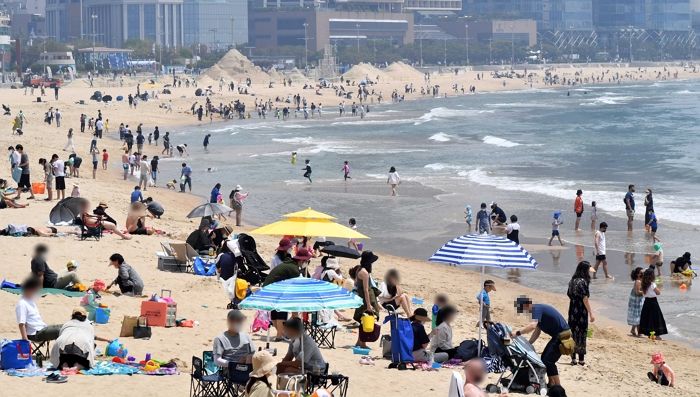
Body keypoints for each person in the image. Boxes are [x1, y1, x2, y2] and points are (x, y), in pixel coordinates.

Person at [512, 297, 572, 386]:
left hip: (562, 335)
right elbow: (537, 331)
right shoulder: (537, 310)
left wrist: (517, 333)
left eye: (523, 310)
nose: (524, 312)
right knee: (544, 358)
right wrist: (528, 344)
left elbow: (532, 326)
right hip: (558, 335)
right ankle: (551, 383)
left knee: (548, 361)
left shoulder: (536, 309)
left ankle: (558, 386)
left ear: (526, 305)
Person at [263, 247, 309, 340]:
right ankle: (280, 336)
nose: (307, 263)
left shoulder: (289, 264)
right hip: (276, 290)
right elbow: (295, 287)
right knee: (281, 312)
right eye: (306, 261)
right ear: (302, 260)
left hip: (269, 288)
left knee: (275, 312)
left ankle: (281, 334)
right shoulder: (294, 269)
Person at [16, 277, 62, 343]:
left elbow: (42, 293)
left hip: (42, 328)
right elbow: (21, 324)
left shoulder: (30, 299)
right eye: (34, 290)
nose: (35, 292)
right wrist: (25, 340)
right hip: (35, 334)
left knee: (66, 326)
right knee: (61, 330)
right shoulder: (22, 304)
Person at [351, 251, 381, 348]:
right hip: (366, 299)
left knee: (363, 320)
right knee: (366, 320)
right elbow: (366, 290)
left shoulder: (359, 269)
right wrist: (368, 305)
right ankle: (362, 343)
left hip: (362, 298)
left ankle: (359, 342)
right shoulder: (364, 273)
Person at [567, 261, 594, 366]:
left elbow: (569, 294)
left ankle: (573, 358)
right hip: (581, 311)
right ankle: (581, 359)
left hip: (572, 309)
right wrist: (591, 313)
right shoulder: (583, 282)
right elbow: (585, 299)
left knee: (573, 333)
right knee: (582, 333)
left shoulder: (572, 281)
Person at [638, 268, 667, 339]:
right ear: (652, 276)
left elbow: (643, 293)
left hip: (646, 302)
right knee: (656, 318)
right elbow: (658, 293)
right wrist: (659, 287)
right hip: (653, 302)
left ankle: (648, 334)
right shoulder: (652, 284)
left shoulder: (643, 284)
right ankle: (657, 335)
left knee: (647, 317)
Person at [627, 267, 644, 337]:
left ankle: (633, 329)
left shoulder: (641, 280)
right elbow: (637, 292)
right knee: (638, 315)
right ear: (638, 274)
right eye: (641, 273)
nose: (643, 274)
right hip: (636, 300)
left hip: (637, 299)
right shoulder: (638, 281)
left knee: (637, 315)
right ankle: (639, 332)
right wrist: (645, 292)